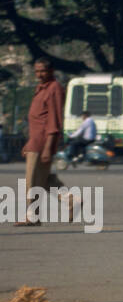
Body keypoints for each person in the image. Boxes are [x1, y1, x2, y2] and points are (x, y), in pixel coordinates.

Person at [19, 57, 65, 226]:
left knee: (32, 180)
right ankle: (71, 199)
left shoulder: (54, 89)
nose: (39, 75)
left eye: (43, 71)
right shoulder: (41, 88)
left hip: (43, 142)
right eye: (37, 71)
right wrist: (29, 142)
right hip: (36, 140)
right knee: (43, 179)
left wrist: (47, 147)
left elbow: (54, 120)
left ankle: (32, 215)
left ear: (51, 71)